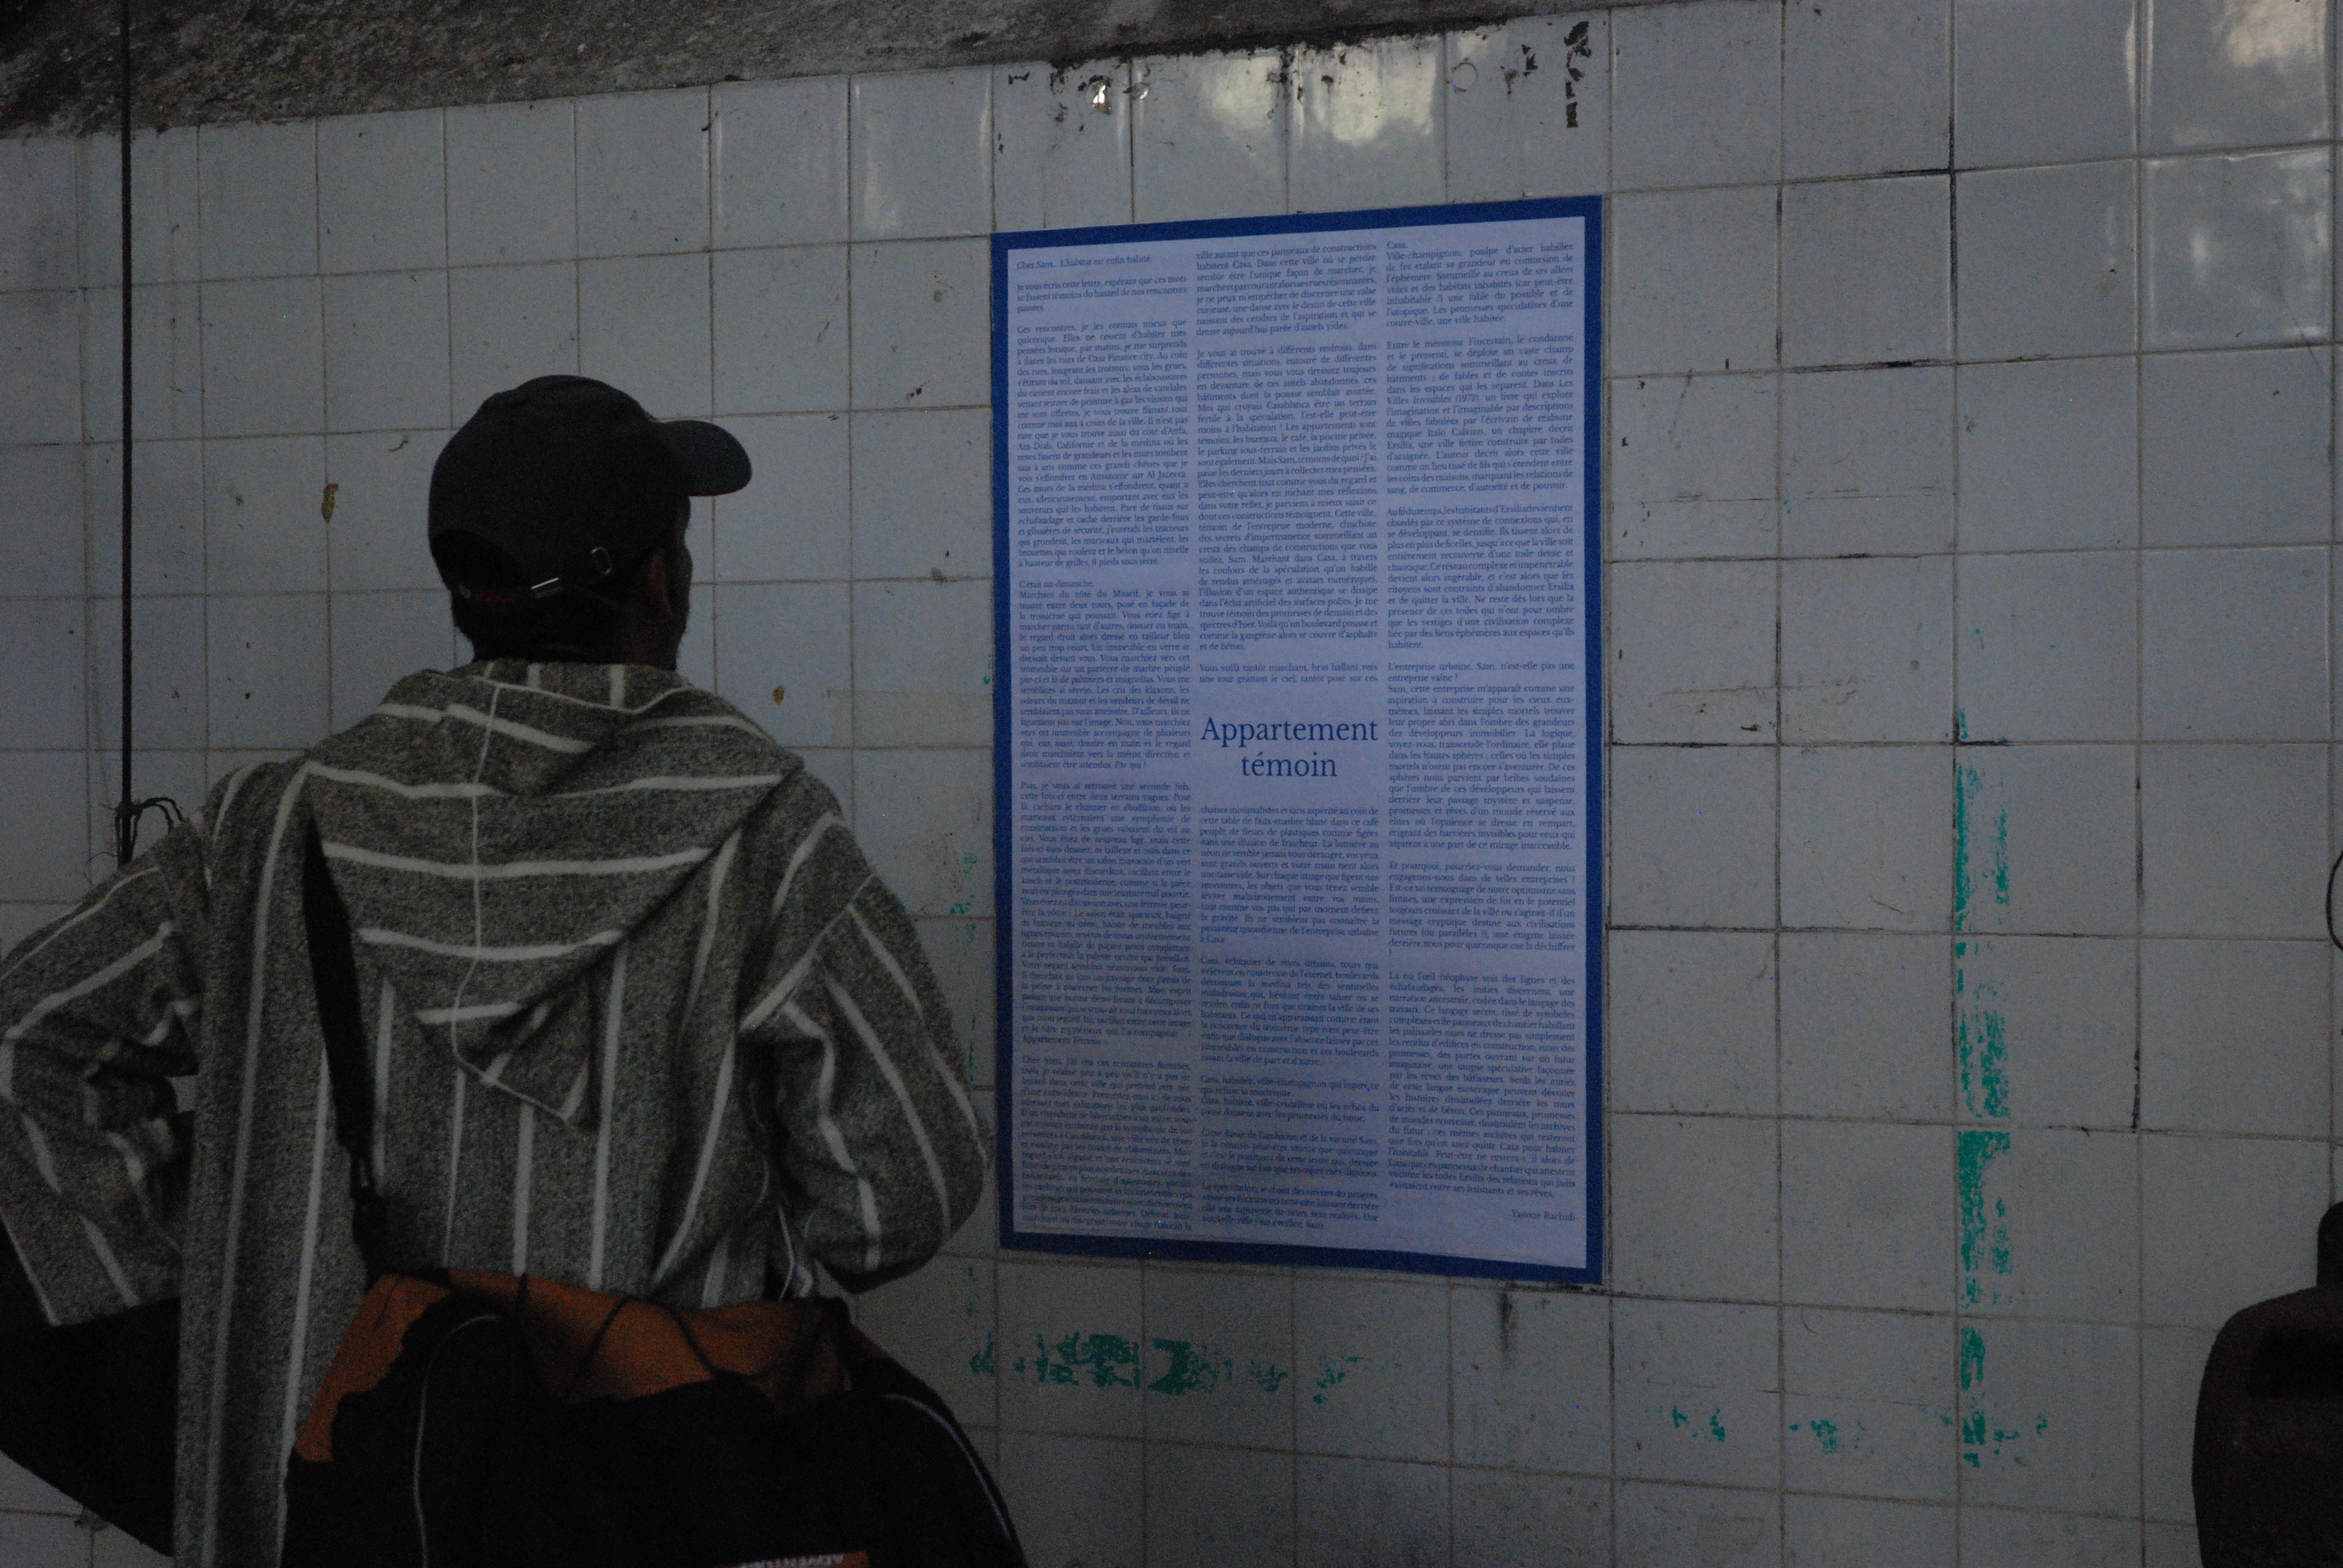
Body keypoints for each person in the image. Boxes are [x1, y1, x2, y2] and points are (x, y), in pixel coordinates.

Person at [0, 376, 990, 1565]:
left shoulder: (269, 829)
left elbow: (26, 1045)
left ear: (469, 592)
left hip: (325, 1500)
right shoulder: (767, 839)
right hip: (653, 1498)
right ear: (660, 578)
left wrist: (224, 1262)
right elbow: (897, 1203)